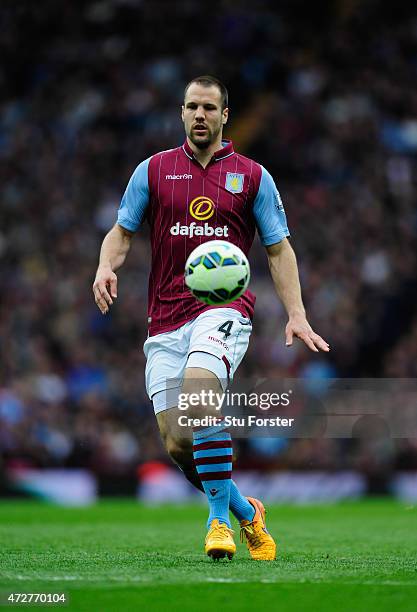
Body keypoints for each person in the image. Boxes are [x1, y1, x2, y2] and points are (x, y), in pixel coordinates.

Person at [93, 75, 329, 561]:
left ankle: (218, 523)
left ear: (225, 115)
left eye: (209, 108)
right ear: (182, 113)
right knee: (179, 443)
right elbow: (121, 233)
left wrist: (297, 313)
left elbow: (279, 250)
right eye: (191, 107)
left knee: (201, 396)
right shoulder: (153, 171)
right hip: (164, 320)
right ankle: (247, 511)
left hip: (223, 310)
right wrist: (103, 266)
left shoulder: (254, 176)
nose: (199, 115)